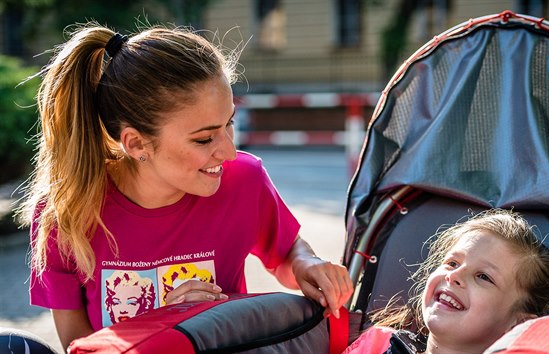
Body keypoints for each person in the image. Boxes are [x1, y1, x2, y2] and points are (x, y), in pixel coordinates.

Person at [17, 23, 353, 351]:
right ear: (135, 144)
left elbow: (287, 252)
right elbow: (76, 343)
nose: (229, 152)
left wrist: (307, 264)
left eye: (229, 123)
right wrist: (165, 322)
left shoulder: (244, 180)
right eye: (205, 138)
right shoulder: (64, 212)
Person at [343, 209, 549, 354]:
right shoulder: (378, 344)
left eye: (483, 276)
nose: (454, 276)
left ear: (518, 324)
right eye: (452, 263)